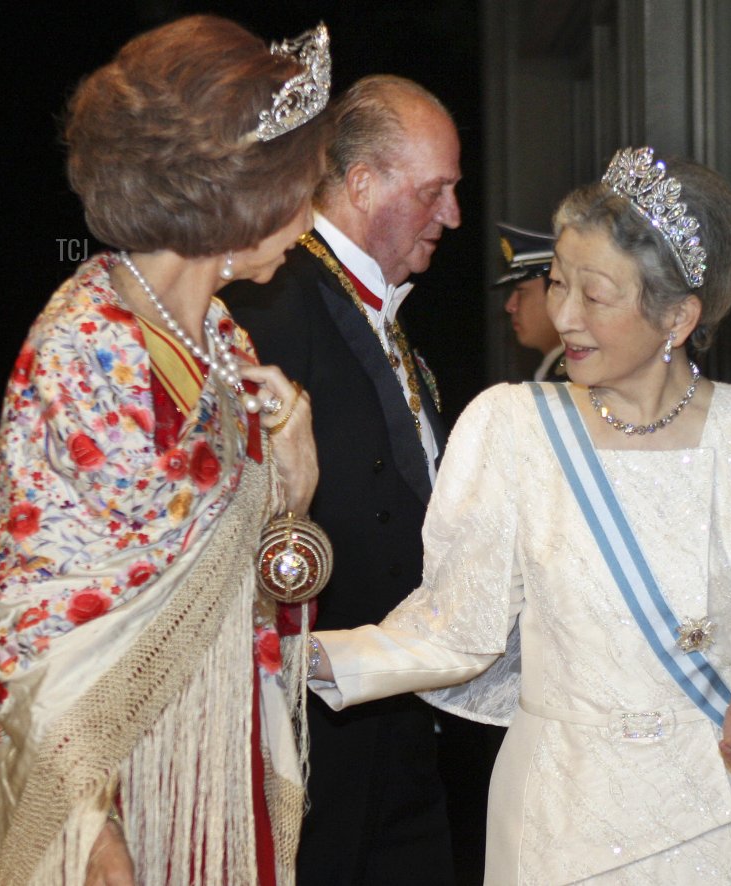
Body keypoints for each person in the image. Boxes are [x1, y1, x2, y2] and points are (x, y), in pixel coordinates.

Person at [304, 146, 731, 883]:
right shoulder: (513, 428)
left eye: (594, 295)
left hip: (717, 812)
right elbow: (455, 629)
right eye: (557, 282)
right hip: (558, 815)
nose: (563, 314)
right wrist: (302, 657)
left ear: (679, 316)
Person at [0, 15, 330, 885]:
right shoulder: (84, 346)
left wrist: (297, 489)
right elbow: (33, 622)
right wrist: (93, 831)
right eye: (302, 188)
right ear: (239, 192)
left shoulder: (219, 339)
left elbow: (260, 593)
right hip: (124, 797)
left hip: (220, 770)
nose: (311, 217)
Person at [222, 74, 464, 884]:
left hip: (397, 723)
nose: (453, 216)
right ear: (363, 185)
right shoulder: (275, 302)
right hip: (315, 740)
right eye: (435, 192)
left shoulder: (385, 317)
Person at [493, 221, 566, 380]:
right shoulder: (559, 372)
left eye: (521, 291)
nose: (510, 306)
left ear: (560, 293)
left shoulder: (573, 380)